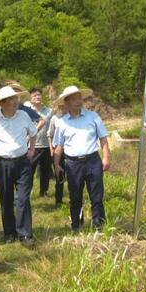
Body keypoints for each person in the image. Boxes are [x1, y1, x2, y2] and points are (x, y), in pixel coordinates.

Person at [53, 86, 111, 233]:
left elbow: (103, 139)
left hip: (93, 161)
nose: (78, 101)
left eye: (79, 98)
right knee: (75, 196)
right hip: (72, 164)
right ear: (66, 103)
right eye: (73, 99)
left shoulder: (93, 117)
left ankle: (98, 225)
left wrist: (106, 157)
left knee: (96, 196)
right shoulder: (61, 122)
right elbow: (58, 146)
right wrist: (56, 165)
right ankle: (76, 225)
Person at [0, 86, 37, 246]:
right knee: (6, 199)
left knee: (23, 198)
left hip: (23, 163)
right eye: (11, 99)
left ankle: (25, 234)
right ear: (2, 103)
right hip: (4, 163)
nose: (16, 101)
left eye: (16, 98)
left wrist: (32, 149)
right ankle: (9, 232)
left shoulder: (24, 115)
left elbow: (33, 133)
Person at [27, 87, 53, 197]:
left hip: (46, 145)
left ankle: (44, 191)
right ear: (30, 99)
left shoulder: (49, 111)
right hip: (31, 146)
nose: (37, 97)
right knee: (29, 170)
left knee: (45, 170)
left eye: (39, 95)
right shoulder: (27, 111)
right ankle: (27, 191)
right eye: (34, 95)